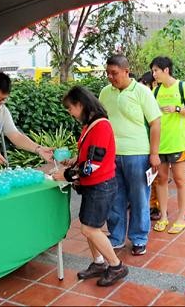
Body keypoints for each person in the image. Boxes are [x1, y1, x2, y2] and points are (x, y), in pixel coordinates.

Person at [52, 86, 128, 287]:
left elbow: (93, 165)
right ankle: (98, 263)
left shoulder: (101, 126)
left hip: (100, 185)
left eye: (70, 108)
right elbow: (92, 156)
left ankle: (116, 265)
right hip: (95, 185)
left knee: (88, 229)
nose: (70, 113)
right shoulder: (91, 124)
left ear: (80, 104)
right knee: (89, 225)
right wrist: (75, 161)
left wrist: (66, 175)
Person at [99, 55, 162, 255]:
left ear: (127, 71)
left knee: (139, 198)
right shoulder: (105, 93)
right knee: (114, 197)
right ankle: (116, 237)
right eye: (108, 73)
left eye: (114, 73)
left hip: (138, 154)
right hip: (111, 154)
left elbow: (155, 123)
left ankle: (139, 238)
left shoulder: (142, 91)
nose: (110, 77)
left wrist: (154, 153)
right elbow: (101, 121)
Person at [151, 56, 185, 235]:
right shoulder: (155, 91)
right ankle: (163, 216)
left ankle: (180, 218)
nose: (154, 74)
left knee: (180, 180)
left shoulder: (183, 87)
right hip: (160, 144)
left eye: (156, 70)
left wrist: (177, 109)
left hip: (179, 142)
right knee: (161, 180)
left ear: (166, 70)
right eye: (153, 71)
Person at [137, 71, 161, 221]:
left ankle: (155, 206)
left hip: (156, 144)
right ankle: (149, 204)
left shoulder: (153, 97)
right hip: (143, 143)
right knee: (147, 176)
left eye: (144, 84)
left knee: (155, 177)